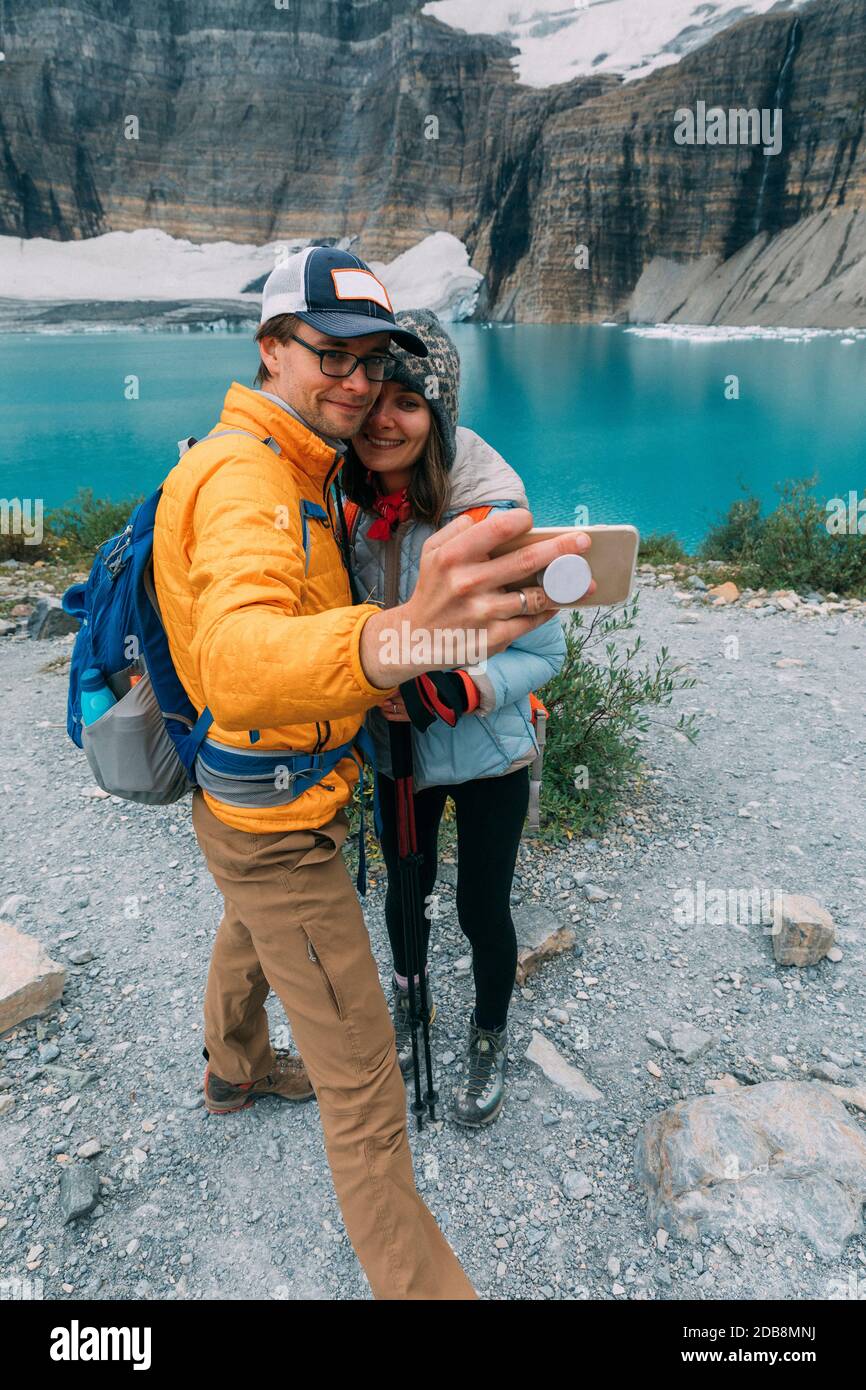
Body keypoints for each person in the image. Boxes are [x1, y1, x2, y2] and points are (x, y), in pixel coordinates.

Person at [151, 246, 591, 1299]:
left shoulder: (334, 475)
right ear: (271, 351)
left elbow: (538, 643)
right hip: (288, 797)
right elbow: (242, 653)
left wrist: (443, 682)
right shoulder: (268, 483)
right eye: (337, 361)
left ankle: (236, 1069)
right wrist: (380, 654)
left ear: (434, 410)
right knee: (364, 1083)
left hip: (304, 783)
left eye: (383, 374)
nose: (362, 393)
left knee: (286, 923)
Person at [341, 310, 566, 1127]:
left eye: (409, 400)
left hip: (488, 756)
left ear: (439, 414)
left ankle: (488, 1030)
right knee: (405, 894)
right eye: (373, 397)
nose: (385, 419)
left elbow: (544, 654)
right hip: (395, 752)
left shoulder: (485, 516)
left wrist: (458, 690)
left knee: (480, 906)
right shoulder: (344, 512)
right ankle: (411, 1011)